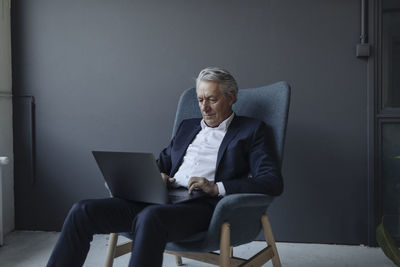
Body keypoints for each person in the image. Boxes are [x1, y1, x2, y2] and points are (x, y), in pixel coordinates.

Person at [47, 67, 283, 267]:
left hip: (203, 207)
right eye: (200, 100)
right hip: (161, 199)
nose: (205, 107)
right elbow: (163, 163)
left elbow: (272, 180)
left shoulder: (252, 130)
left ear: (231, 98)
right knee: (82, 210)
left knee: (150, 217)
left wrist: (215, 187)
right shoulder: (187, 127)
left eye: (212, 99)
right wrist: (157, 176)